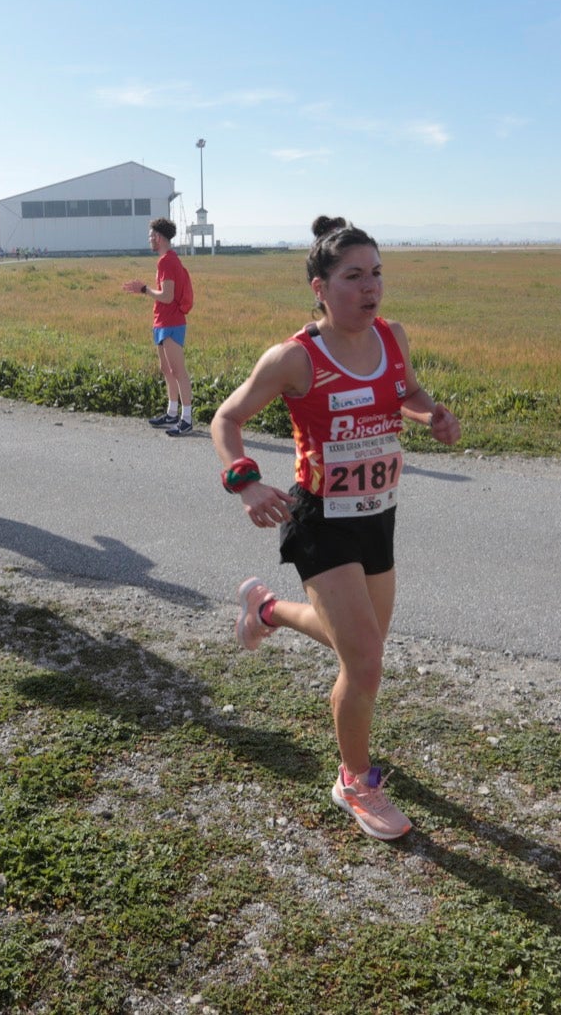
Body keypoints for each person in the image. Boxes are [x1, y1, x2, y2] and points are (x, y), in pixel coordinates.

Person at [211, 215, 462, 842]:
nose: (370, 287)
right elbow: (227, 417)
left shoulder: (391, 336)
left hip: (379, 515)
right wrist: (243, 479)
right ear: (320, 287)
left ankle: (264, 612)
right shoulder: (296, 357)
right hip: (319, 520)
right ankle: (354, 780)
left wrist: (431, 414)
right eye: (353, 276)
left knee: (357, 641)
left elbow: (404, 390)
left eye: (376, 273)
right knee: (367, 662)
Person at [121, 217, 194, 436]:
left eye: (151, 236)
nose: (149, 240)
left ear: (159, 237)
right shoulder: (166, 259)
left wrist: (144, 289)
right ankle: (172, 412)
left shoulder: (167, 261)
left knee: (178, 371)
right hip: (162, 321)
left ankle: (187, 419)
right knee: (167, 369)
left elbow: (167, 295)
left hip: (171, 322)